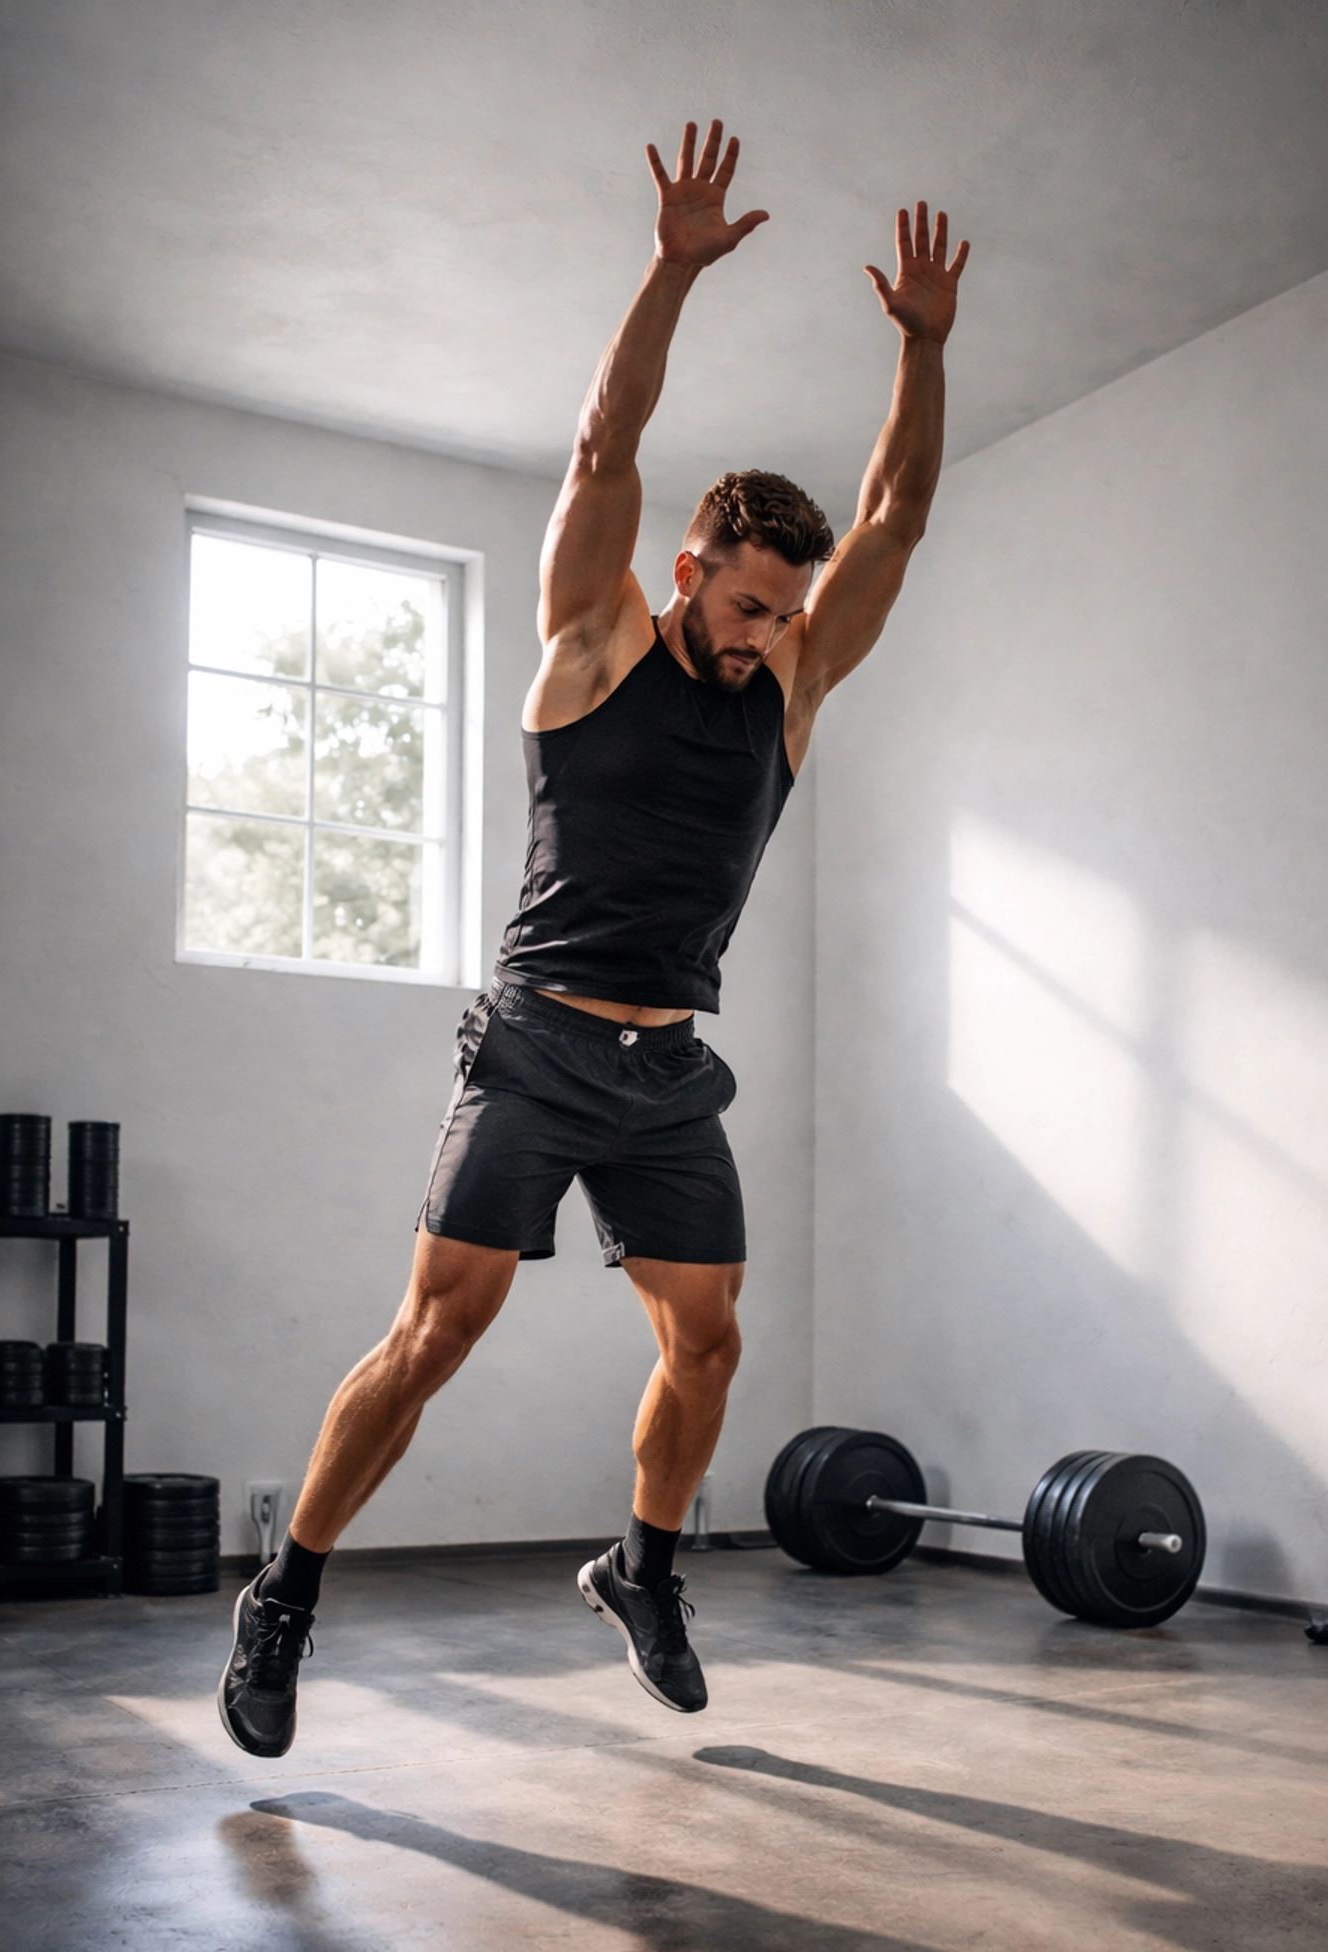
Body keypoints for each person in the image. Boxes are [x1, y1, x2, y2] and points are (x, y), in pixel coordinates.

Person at [219, 119, 968, 1757]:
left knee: (709, 1339)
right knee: (438, 1333)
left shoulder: (792, 689)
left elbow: (901, 514)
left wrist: (921, 351)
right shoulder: (593, 643)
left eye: (788, 611)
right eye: (749, 601)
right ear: (690, 572)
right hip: (541, 1042)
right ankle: (284, 1590)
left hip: (667, 1068)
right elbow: (601, 441)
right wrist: (670, 268)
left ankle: (641, 1567)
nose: (770, 631)